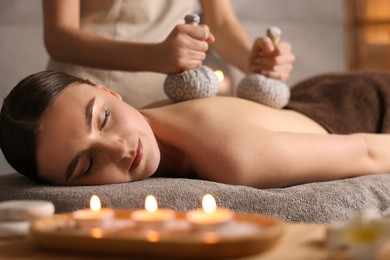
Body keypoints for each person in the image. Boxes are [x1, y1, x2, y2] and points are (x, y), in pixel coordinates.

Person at [2, 70, 390, 188]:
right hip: (305, 101)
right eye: (86, 165)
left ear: (106, 90)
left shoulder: (237, 159)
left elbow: (368, 152)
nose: (119, 149)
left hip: (365, 104)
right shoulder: (144, 125)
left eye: (103, 118)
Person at [42, 0, 295, 108]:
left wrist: (256, 61)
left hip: (168, 102)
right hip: (88, 94)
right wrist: (155, 56)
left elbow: (221, 22)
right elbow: (59, 37)